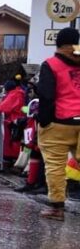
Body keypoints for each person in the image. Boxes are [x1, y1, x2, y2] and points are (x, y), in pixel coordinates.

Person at [36, 27, 80, 221]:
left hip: (59, 121)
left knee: (55, 166)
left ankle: (57, 208)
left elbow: (46, 95)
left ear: (58, 43)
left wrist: (44, 121)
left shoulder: (51, 64)